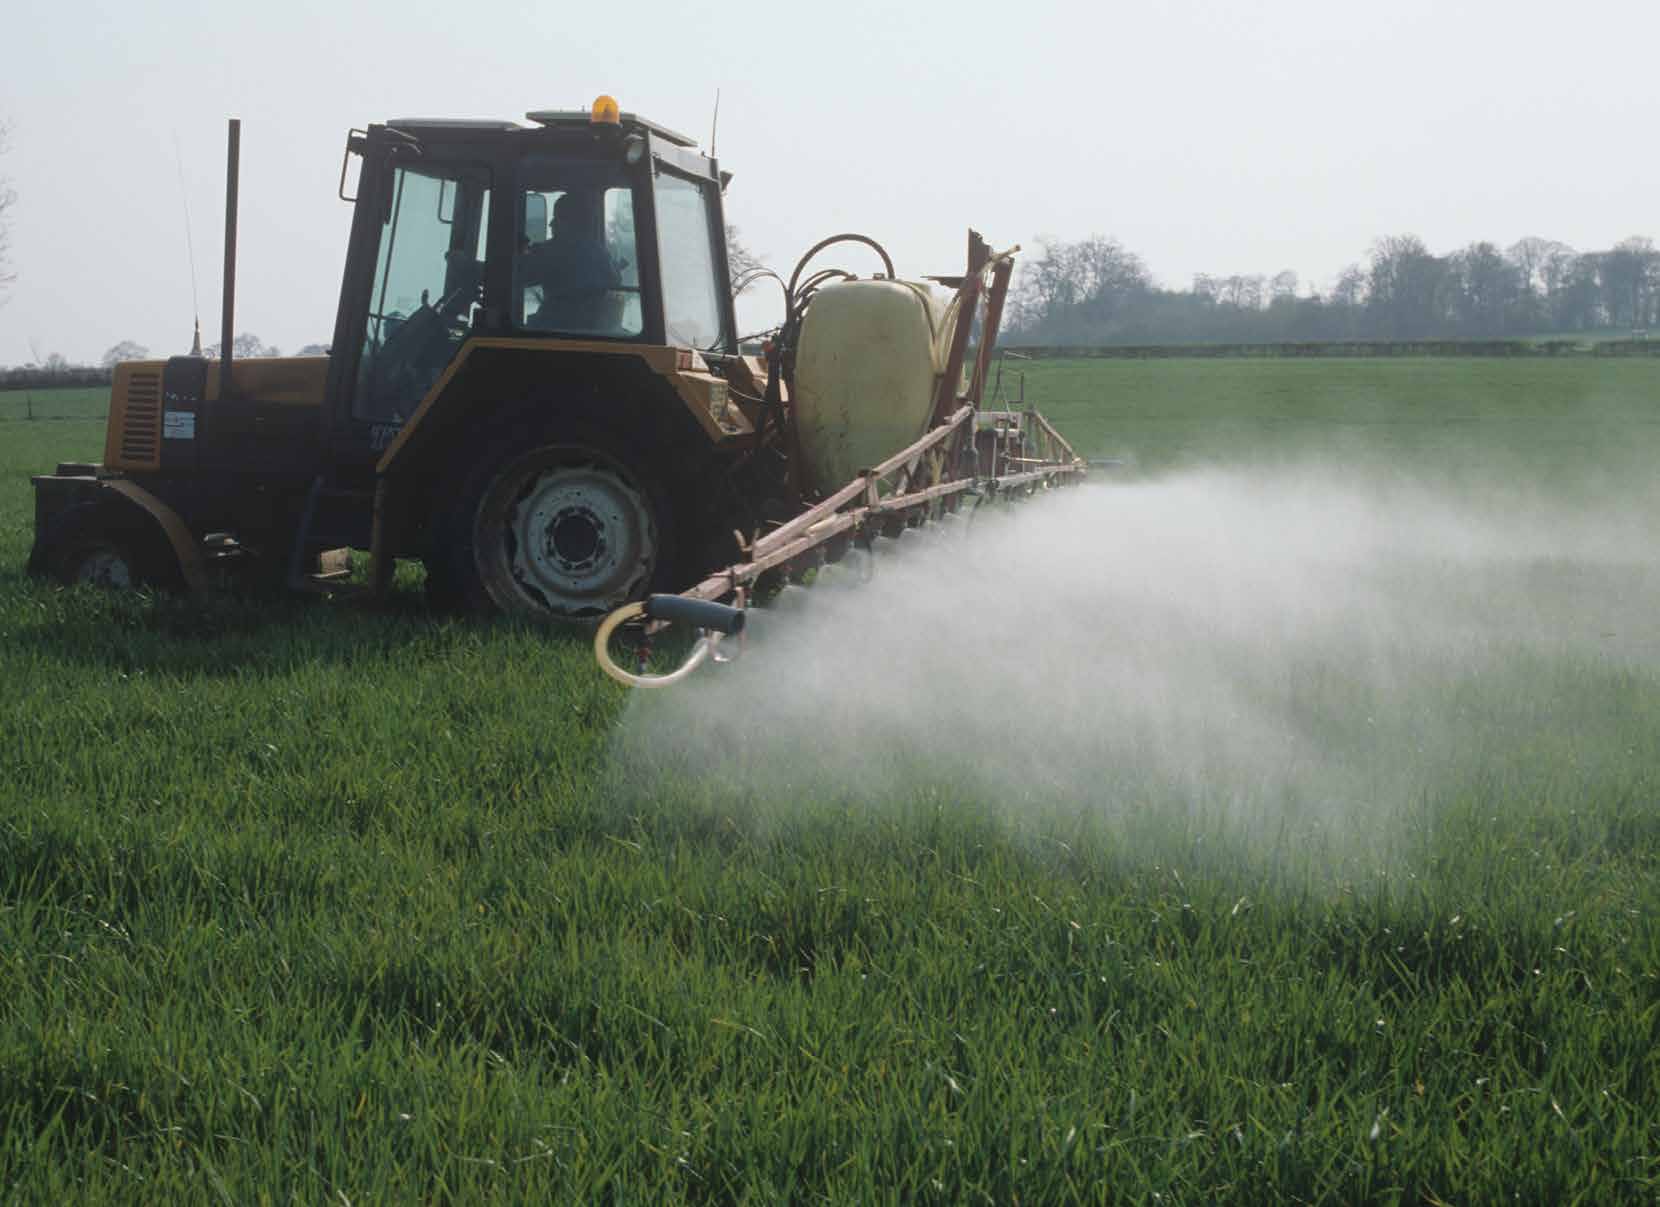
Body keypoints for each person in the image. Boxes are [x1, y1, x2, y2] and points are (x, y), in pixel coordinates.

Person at [523, 190, 619, 332]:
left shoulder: (553, 251)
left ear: (571, 222)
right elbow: (615, 280)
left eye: (557, 218)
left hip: (556, 329)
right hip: (590, 329)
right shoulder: (599, 251)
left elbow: (515, 274)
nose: (551, 224)